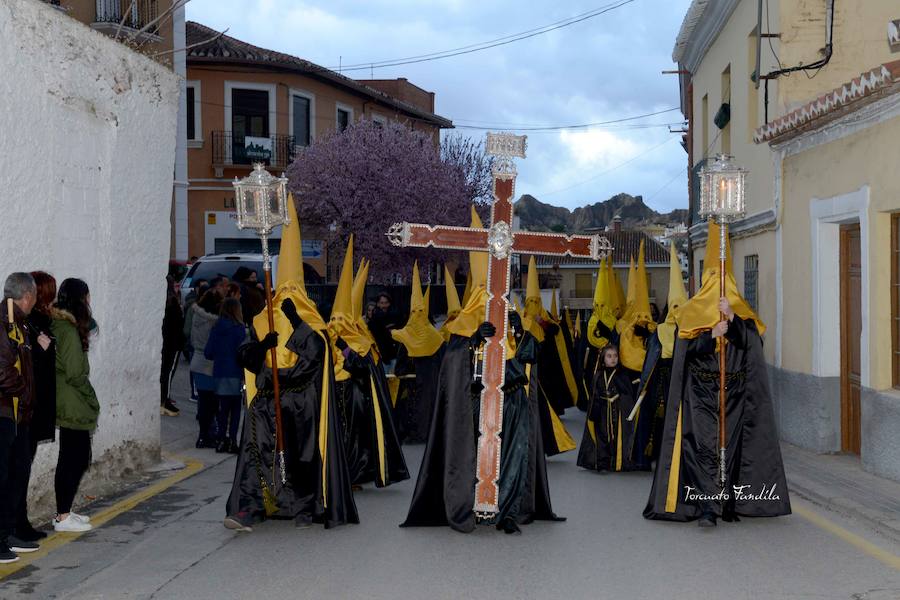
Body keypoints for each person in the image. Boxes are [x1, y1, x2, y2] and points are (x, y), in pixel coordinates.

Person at [402, 206, 564, 534]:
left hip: (514, 400)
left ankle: (509, 512)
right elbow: (452, 363)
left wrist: (521, 330)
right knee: (475, 457)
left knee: (514, 457)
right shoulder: (465, 320)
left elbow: (531, 357)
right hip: (475, 403)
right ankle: (476, 508)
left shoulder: (513, 314)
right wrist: (474, 338)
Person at [644, 222, 791, 527]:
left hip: (734, 392)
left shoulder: (740, 310)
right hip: (700, 393)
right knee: (704, 449)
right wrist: (710, 335)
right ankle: (706, 506)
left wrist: (734, 319)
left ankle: (726, 503)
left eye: (720, 276)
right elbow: (684, 352)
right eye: (712, 276)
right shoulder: (691, 313)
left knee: (732, 446)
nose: (716, 281)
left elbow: (753, 344)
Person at [225, 196, 357, 531]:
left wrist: (297, 324)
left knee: (301, 457)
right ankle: (250, 507)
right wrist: (263, 347)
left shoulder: (310, 320)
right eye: (280, 291)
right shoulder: (259, 319)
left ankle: (304, 505)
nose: (284, 295)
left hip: (300, 402)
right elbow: (245, 356)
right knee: (256, 453)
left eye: (290, 290)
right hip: (267, 399)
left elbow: (318, 356)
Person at [328, 240, 408, 489]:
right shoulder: (328, 335)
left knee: (355, 439)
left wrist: (347, 351)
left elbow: (365, 370)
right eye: (336, 319)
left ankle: (354, 474)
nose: (339, 323)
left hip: (355, 400)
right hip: (335, 397)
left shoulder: (360, 339)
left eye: (344, 319)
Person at [630, 242, 685, 469]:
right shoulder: (659, 331)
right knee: (654, 418)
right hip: (659, 381)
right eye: (673, 307)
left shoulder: (690, 331)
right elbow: (650, 359)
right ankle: (649, 456)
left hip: (680, 380)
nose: (676, 312)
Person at [52, 278, 99, 533]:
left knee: (73, 456)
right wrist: (89, 395)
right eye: (88, 296)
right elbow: (74, 372)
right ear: (81, 299)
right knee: (75, 458)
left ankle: (65, 511)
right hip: (72, 398)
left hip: (68, 397)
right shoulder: (68, 329)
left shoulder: (61, 324)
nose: (90, 301)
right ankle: (62, 516)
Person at [0, 273, 40, 561]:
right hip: (5, 411)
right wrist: (25, 392)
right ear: (27, 295)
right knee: (3, 477)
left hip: (18, 414)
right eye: (34, 296)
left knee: (17, 475)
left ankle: (8, 531)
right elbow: (3, 369)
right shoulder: (3, 323)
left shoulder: (20, 322)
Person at [16, 272, 57, 542]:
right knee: (18, 469)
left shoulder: (39, 322)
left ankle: (20, 523)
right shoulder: (31, 324)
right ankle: (16, 526)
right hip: (27, 408)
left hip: (32, 407)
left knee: (22, 467)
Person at [390, 262, 444, 444]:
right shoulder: (405, 335)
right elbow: (400, 365)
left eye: (421, 311)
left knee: (426, 408)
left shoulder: (435, 337)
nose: (418, 315)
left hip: (427, 386)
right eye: (415, 311)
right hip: (413, 386)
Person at [577, 344, 643, 472]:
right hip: (602, 411)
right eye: (609, 356)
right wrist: (594, 411)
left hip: (618, 411)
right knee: (602, 436)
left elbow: (627, 391)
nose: (613, 359)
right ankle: (602, 463)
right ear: (603, 359)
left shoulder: (622, 374)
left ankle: (616, 462)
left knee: (617, 436)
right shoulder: (598, 375)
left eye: (615, 356)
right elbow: (594, 393)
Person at [204, 298, 247, 454]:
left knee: (222, 409)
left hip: (219, 372)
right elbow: (243, 352)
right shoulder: (239, 329)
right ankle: (232, 441)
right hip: (235, 372)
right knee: (235, 410)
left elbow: (208, 352)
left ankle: (221, 439)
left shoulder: (216, 328)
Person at [190, 289, 223, 448]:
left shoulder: (196, 316)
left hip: (196, 361)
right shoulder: (214, 322)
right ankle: (207, 435)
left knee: (203, 402)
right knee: (212, 404)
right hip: (209, 364)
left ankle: (202, 436)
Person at [160, 276, 183, 417]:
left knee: (164, 372)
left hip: (166, 343)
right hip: (172, 344)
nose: (178, 288)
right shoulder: (172, 303)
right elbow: (177, 325)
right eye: (175, 285)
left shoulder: (165, 302)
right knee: (168, 373)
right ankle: (164, 401)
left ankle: (163, 399)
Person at [367, 292, 401, 374]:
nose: (384, 306)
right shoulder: (373, 320)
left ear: (389, 303)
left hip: (394, 354)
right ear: (378, 304)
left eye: (386, 303)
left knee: (394, 380)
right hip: (381, 356)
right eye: (381, 303)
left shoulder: (395, 317)